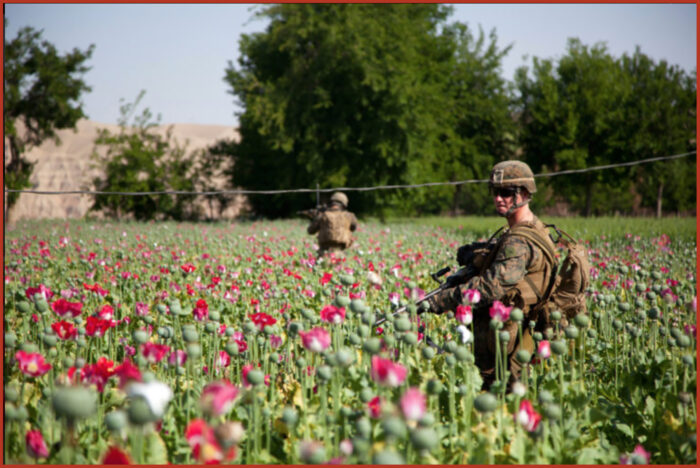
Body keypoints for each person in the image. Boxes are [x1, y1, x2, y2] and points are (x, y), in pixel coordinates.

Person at [428, 160, 557, 389]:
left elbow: (488, 288)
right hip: (514, 341)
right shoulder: (534, 229)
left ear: (525, 193)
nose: (498, 198)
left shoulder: (518, 241)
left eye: (506, 193)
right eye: (495, 192)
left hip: (512, 350)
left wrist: (437, 301)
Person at [307, 192, 358, 257]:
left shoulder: (322, 215)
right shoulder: (349, 216)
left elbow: (310, 231)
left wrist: (316, 217)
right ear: (344, 204)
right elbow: (353, 228)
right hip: (340, 254)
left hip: (324, 254)